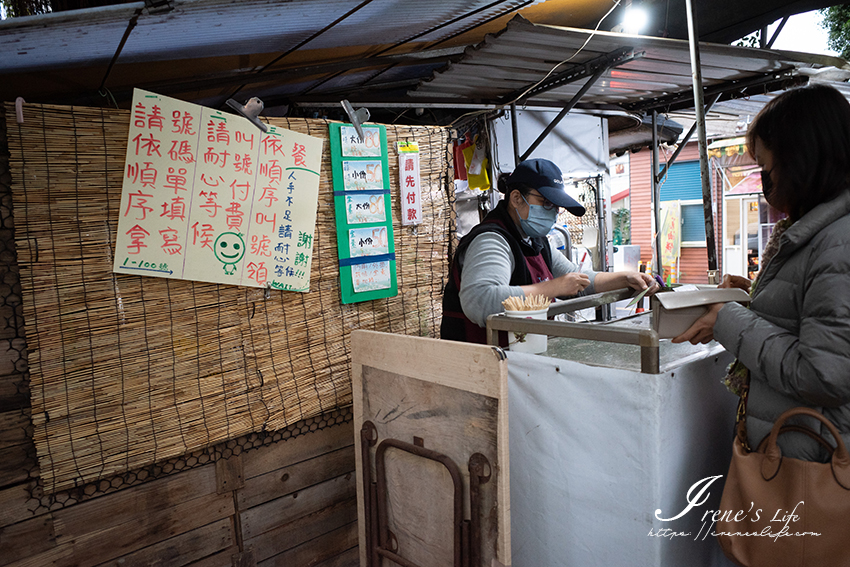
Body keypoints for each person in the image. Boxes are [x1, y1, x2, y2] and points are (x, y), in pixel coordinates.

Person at [673, 84, 850, 460]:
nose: (765, 180)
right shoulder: (818, 232)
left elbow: (823, 376)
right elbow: (813, 316)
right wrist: (755, 298)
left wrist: (729, 318)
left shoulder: (838, 243)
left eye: (766, 167)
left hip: (815, 464)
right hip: (798, 446)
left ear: (801, 160)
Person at [441, 158, 657, 344]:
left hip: (521, 354)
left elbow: (579, 282)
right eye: (545, 203)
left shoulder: (536, 241)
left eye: (555, 207)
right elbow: (481, 300)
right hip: (482, 362)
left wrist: (625, 278)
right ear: (516, 198)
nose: (552, 213)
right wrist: (552, 288)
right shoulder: (491, 240)